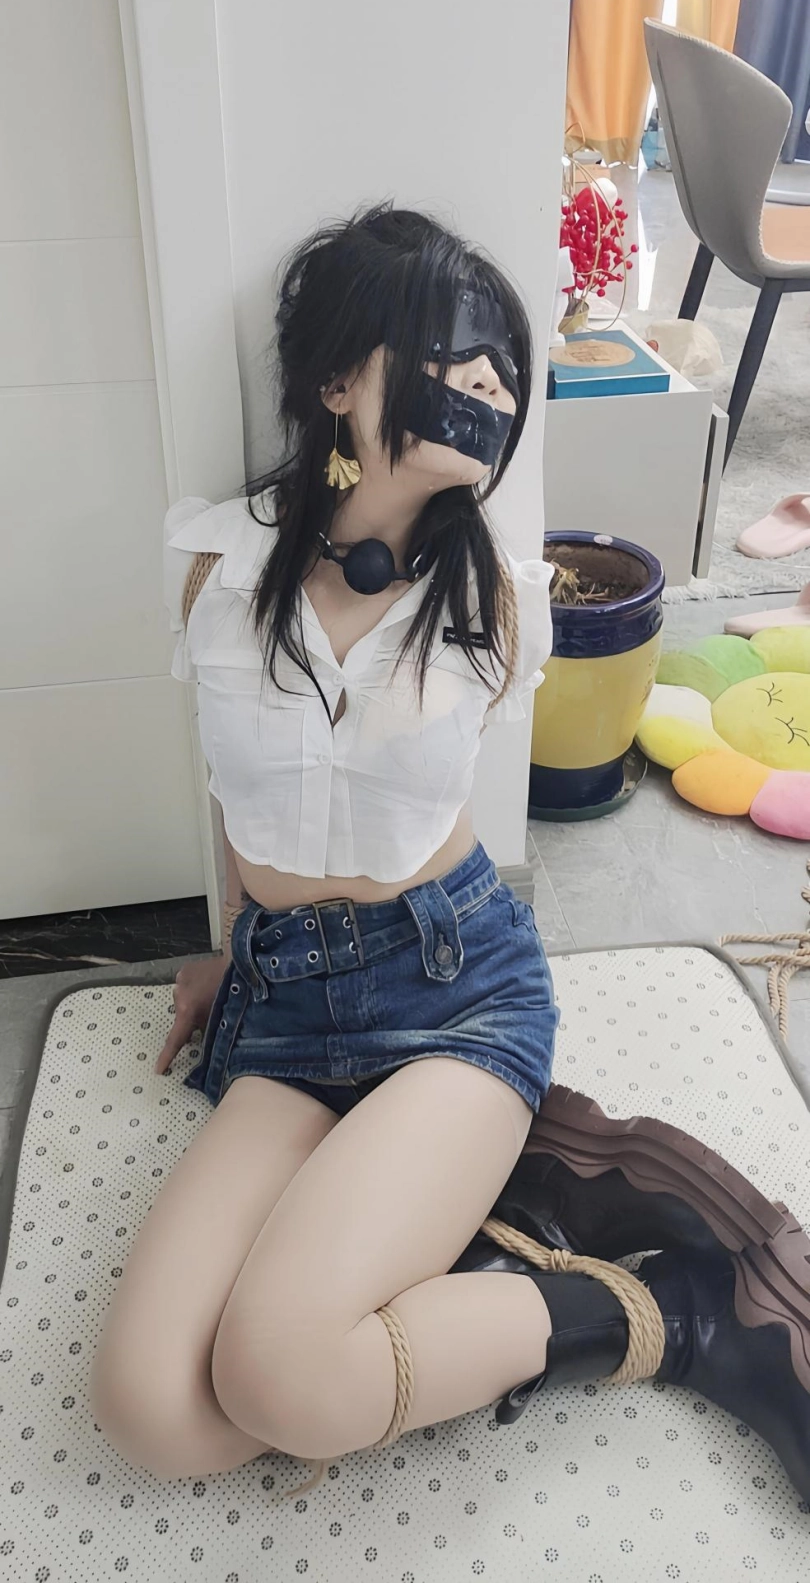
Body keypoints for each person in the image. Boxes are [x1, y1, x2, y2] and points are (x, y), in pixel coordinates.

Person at [88, 202, 810, 1503]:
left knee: (284, 1378)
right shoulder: (214, 567)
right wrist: (229, 943)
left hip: (452, 989)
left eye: (499, 362)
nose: (484, 381)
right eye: (446, 350)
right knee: (153, 1411)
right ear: (334, 379)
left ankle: (663, 1311)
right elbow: (240, 789)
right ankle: (456, 1259)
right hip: (285, 1001)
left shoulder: (499, 603)